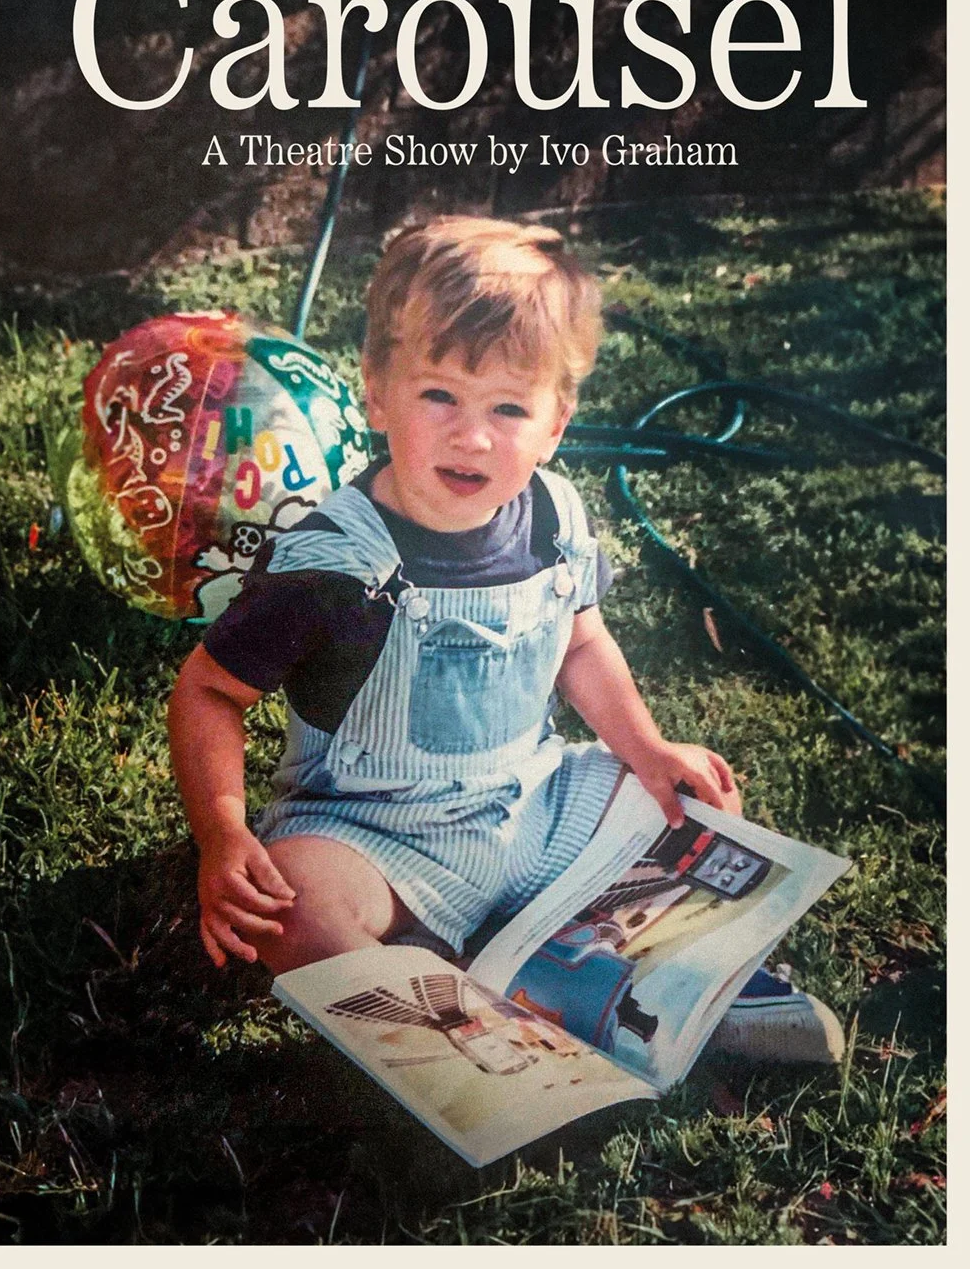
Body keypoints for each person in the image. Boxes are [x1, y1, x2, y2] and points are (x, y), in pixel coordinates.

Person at [169, 216, 842, 1064]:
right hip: (376, 837)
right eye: (439, 395)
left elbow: (582, 644)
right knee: (294, 904)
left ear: (555, 423)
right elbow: (209, 691)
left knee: (698, 794)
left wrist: (645, 748)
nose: (472, 435)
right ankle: (466, 1044)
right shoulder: (331, 563)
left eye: (510, 408)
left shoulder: (555, 517)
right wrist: (223, 833)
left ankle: (664, 986)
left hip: (536, 803)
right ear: (377, 392)